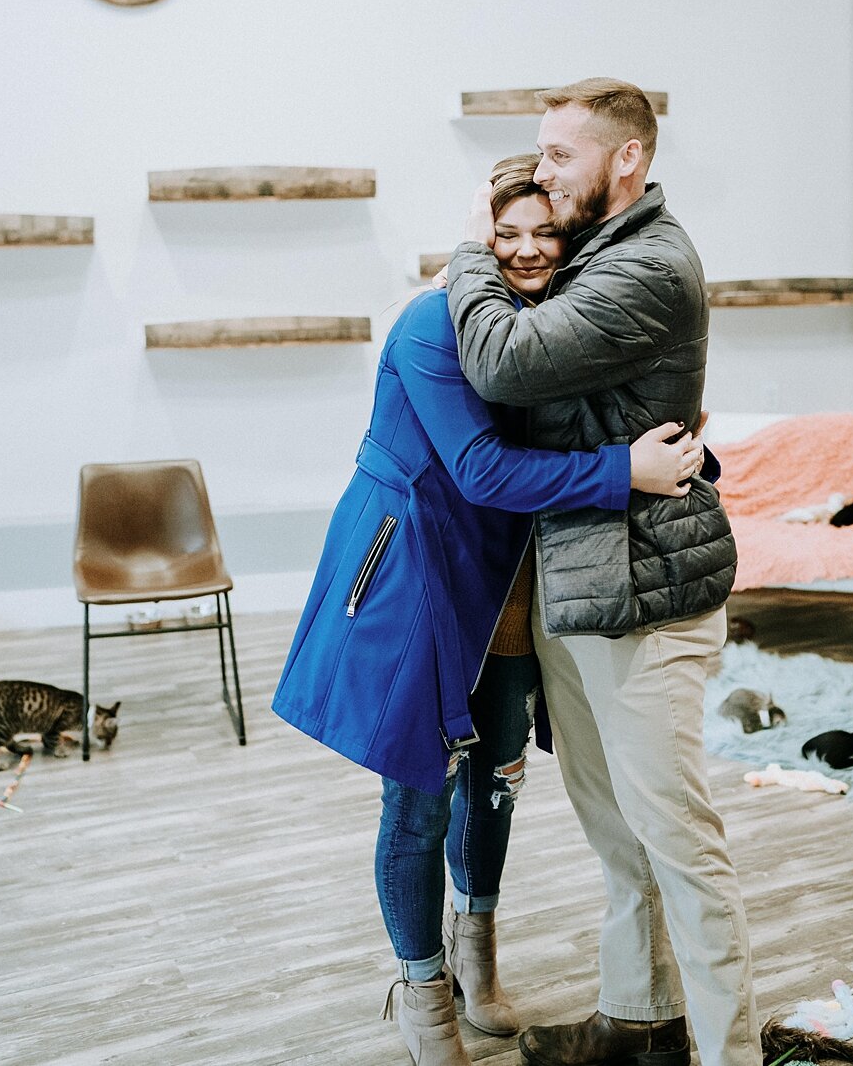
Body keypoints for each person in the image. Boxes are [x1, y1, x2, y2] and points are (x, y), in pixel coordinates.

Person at [272, 155, 707, 1066]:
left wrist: (685, 455)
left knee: (496, 781)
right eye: (505, 234)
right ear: (479, 237)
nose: (527, 250)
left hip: (508, 588)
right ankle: (423, 992)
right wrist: (624, 471)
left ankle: (478, 962)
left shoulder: (549, 329)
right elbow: (479, 471)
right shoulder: (433, 326)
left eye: (545, 231)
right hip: (416, 571)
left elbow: (595, 415)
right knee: (419, 794)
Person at [446, 81, 762, 1066]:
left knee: (678, 844)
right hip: (577, 584)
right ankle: (638, 1019)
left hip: (644, 596)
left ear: (625, 159)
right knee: (614, 831)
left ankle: (729, 1052)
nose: (541, 173)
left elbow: (502, 360)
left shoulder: (650, 269)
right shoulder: (593, 249)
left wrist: (466, 247)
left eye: (556, 155)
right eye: (536, 155)